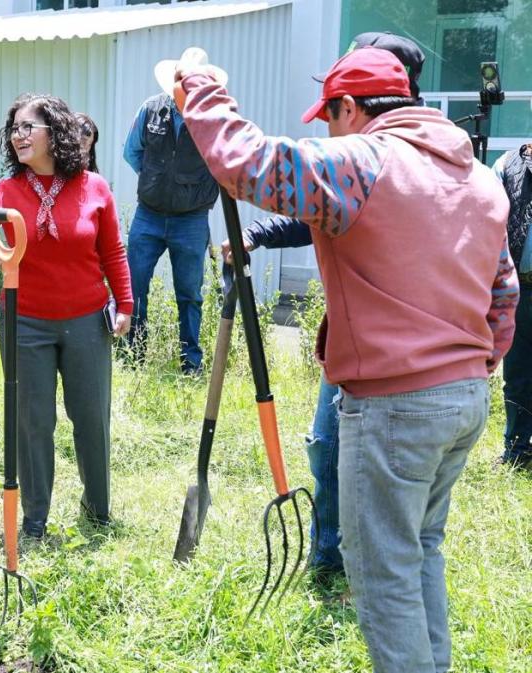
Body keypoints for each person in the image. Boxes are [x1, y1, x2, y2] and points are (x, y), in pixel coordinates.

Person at [176, 46, 517, 672]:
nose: (327, 132)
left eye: (329, 117)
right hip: (465, 397)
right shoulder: (479, 178)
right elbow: (503, 291)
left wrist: (197, 83)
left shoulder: (364, 161)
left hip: (394, 406)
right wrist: (475, 365)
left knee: (382, 576)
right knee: (420, 551)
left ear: (352, 107)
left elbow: (248, 164)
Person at [219, 32, 428, 585]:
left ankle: (366, 567)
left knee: (371, 468)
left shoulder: (396, 155)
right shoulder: (391, 149)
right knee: (326, 445)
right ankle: (330, 554)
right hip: (353, 335)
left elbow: (266, 172)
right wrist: (258, 234)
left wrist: (207, 108)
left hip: (391, 352)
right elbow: (311, 211)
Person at [0, 94, 133, 538]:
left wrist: (126, 303)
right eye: (14, 128)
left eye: (27, 127)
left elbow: (112, 250)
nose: (18, 135)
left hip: (86, 321)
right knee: (33, 421)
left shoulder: (94, 187)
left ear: (54, 132)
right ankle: (35, 519)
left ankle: (98, 510)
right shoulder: (6, 191)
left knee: (91, 416)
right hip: (25, 323)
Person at [122, 80, 219, 375]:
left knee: (189, 293)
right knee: (134, 285)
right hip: (148, 214)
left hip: (191, 218)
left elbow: (224, 163)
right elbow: (132, 152)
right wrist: (156, 181)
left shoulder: (213, 119)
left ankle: (191, 363)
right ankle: (132, 356)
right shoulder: (150, 110)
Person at [492, 144, 532, 471]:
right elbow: (487, 219)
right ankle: (518, 449)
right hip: (521, 288)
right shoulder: (507, 165)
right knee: (517, 373)